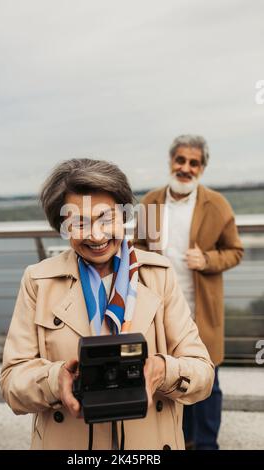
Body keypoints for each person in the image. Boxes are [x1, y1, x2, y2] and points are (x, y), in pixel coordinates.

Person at [0, 158, 214, 450]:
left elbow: (203, 373)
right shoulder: (38, 281)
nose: (96, 235)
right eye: (79, 223)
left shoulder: (159, 275)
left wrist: (163, 370)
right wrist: (55, 380)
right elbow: (12, 383)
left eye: (106, 218)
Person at [134, 135, 244, 450]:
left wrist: (207, 259)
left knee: (209, 379)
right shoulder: (151, 203)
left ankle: (206, 444)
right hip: (161, 310)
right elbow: (138, 248)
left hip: (201, 311)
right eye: (180, 160)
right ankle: (179, 440)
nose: (185, 168)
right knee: (170, 378)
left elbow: (235, 251)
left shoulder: (217, 204)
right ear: (171, 162)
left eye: (193, 163)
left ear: (202, 168)